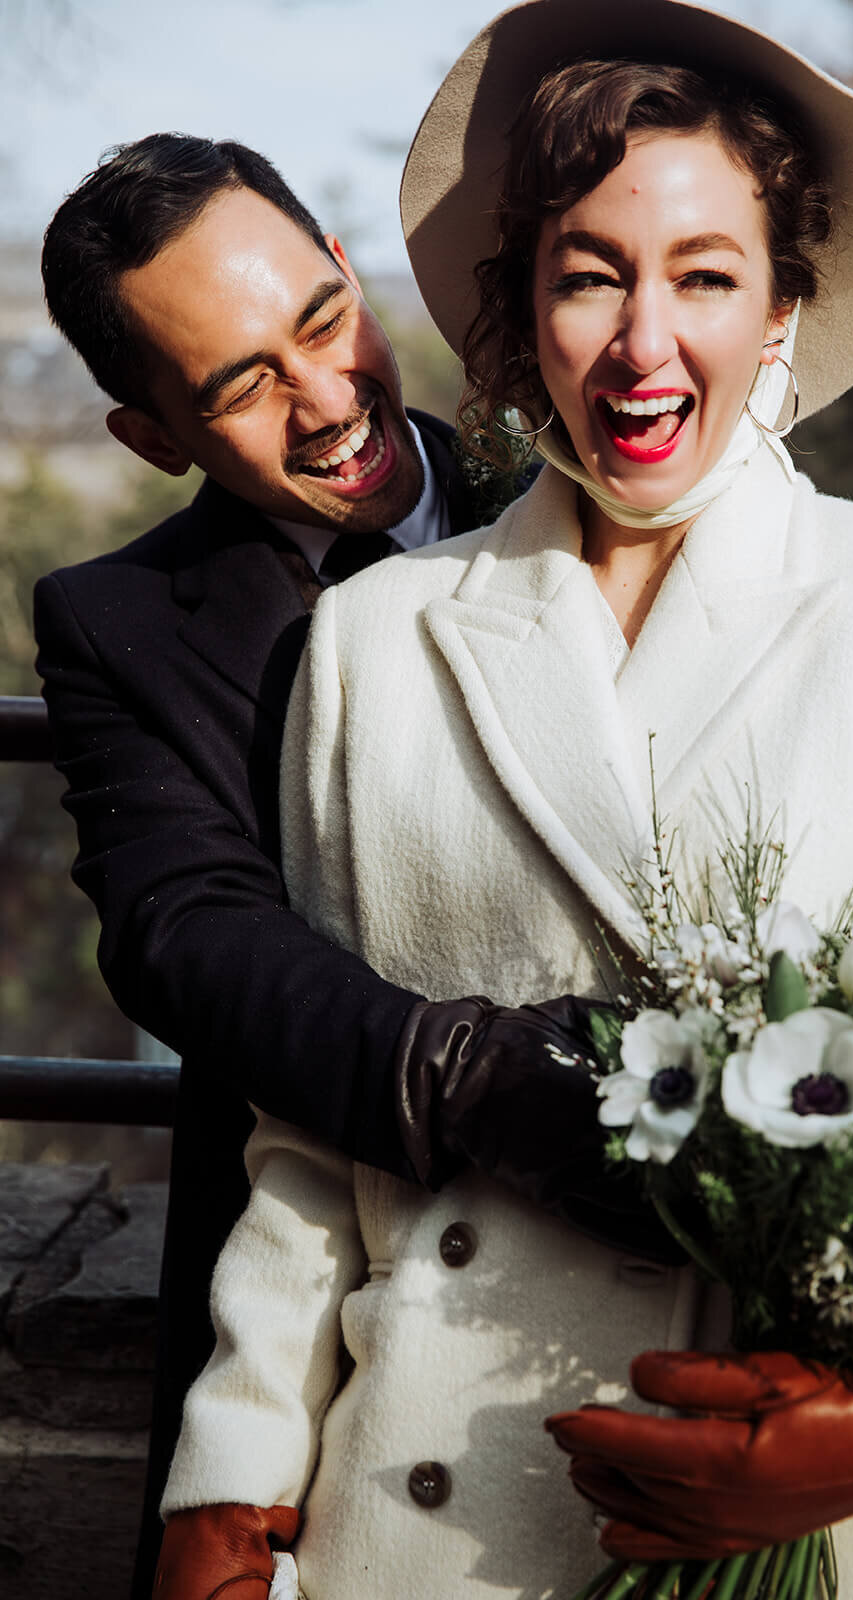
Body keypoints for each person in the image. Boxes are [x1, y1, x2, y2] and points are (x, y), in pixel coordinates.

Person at [151, 4, 853, 1597]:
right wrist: (225, 1483)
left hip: (803, 1504)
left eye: (706, 275)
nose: (644, 344)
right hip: (425, 1505)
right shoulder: (373, 634)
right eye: (590, 275)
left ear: (783, 309)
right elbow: (311, 1136)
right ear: (524, 314)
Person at [32, 133, 673, 1599]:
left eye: (324, 324)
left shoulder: (599, 468)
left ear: (348, 271)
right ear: (150, 437)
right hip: (338, 1300)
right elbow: (182, 930)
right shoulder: (118, 625)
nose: (329, 405)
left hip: (663, 1265)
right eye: (243, 384)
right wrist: (478, 1080)